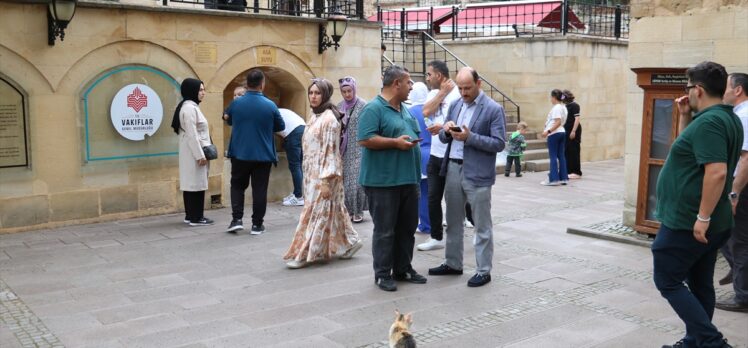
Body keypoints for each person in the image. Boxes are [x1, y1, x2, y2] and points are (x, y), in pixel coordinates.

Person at [652, 61, 741, 348]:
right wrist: (684, 116)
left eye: (688, 87)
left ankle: (712, 342)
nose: (686, 93)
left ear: (698, 89)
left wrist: (702, 217)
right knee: (700, 283)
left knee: (667, 280)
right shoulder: (725, 117)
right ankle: (695, 341)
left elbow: (717, 171)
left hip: (688, 222)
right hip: (706, 221)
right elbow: (687, 153)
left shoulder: (712, 122)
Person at [427, 67, 506, 288]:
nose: (463, 92)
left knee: (481, 224)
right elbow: (444, 137)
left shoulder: (493, 109)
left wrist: (470, 137)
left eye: (467, 88)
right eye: (460, 88)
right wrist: (446, 130)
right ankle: (453, 263)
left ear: (478, 84)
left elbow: (499, 143)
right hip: (452, 167)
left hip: (478, 172)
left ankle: (483, 270)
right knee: (452, 221)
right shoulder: (455, 104)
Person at [358, 65, 427, 292]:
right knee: (385, 230)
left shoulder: (404, 109)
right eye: (408, 82)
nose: (411, 87)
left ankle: (403, 268)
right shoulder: (373, 109)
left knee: (407, 228)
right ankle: (382, 274)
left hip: (409, 179)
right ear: (396, 83)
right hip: (383, 182)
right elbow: (365, 139)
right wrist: (395, 143)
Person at [283, 79, 363, 269]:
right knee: (335, 210)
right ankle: (351, 241)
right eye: (311, 93)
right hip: (312, 174)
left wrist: (326, 180)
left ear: (325, 95)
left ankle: (303, 254)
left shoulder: (329, 119)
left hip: (324, 176)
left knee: (314, 213)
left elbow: (330, 151)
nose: (313, 96)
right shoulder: (315, 116)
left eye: (317, 93)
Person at [225, 69, 285, 234]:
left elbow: (227, 119)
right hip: (263, 154)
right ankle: (257, 224)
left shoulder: (236, 103)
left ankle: (236, 219)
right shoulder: (270, 105)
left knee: (237, 185)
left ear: (247, 84)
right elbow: (281, 127)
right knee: (259, 189)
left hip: (240, 152)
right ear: (262, 84)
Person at [417, 60, 462, 252]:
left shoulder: (458, 95)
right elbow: (426, 111)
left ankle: (461, 232)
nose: (427, 78)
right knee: (433, 197)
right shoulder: (435, 93)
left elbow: (461, 125)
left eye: (429, 74)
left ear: (439, 76)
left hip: (452, 155)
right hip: (435, 153)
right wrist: (442, 93)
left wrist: (442, 127)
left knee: (455, 199)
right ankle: (436, 236)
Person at [716, 72, 748, 313]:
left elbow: (746, 159)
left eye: (726, 87)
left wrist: (735, 193)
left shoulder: (745, 115)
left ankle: (743, 295)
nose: (722, 91)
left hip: (743, 187)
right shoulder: (740, 114)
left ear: (737, 90)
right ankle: (738, 273)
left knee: (737, 240)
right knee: (729, 238)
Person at [171, 78, 214, 227]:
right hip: (194, 152)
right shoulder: (190, 108)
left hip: (191, 151)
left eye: (203, 89)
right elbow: (192, 133)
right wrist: (200, 155)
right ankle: (196, 217)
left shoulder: (190, 106)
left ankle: (191, 216)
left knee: (191, 184)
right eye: (200, 90)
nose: (203, 93)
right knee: (196, 184)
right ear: (192, 91)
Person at [337, 76, 368, 223]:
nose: (347, 94)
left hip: (359, 147)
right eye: (344, 92)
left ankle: (358, 210)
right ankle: (349, 210)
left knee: (356, 181)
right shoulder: (339, 107)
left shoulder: (363, 105)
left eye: (349, 91)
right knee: (345, 182)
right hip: (344, 149)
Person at [408, 82, 432, 235]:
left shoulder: (409, 111)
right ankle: (431, 221)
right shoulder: (431, 109)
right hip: (434, 153)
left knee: (421, 193)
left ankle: (425, 224)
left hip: (418, 154)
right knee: (431, 193)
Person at [277, 108, 306, 207]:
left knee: (295, 166)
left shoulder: (268, 113)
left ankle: (298, 197)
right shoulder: (279, 110)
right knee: (299, 165)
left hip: (293, 133)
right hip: (303, 129)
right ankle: (297, 193)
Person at [540, 89, 569, 186]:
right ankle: (564, 178)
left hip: (554, 134)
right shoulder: (563, 107)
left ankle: (553, 179)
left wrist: (547, 131)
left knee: (553, 156)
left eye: (551, 97)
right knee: (561, 156)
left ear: (553, 97)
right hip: (561, 132)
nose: (550, 100)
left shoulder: (556, 107)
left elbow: (558, 121)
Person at [563, 90, 582, 179]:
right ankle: (569, 171)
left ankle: (576, 172)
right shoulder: (566, 106)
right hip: (567, 130)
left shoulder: (574, 105)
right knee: (567, 150)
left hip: (573, 131)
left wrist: (573, 131)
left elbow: (577, 119)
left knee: (574, 150)